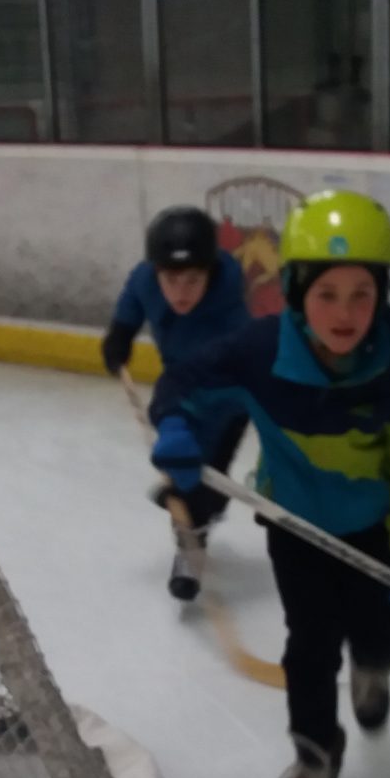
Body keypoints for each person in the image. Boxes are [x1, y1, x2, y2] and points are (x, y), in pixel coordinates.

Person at [147, 190, 390, 778]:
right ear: (295, 290)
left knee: (378, 635)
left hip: (371, 533)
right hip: (294, 526)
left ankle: (374, 665)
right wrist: (174, 426)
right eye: (327, 294)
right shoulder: (259, 354)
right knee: (309, 644)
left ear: (383, 295)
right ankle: (315, 758)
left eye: (361, 295)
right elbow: (183, 384)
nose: (345, 313)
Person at [101, 206, 251, 600]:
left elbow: (216, 384)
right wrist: (120, 333)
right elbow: (133, 299)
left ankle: (193, 538)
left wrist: (175, 423)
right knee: (188, 472)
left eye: (193, 280)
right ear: (156, 273)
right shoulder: (145, 279)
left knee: (202, 471)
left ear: (210, 274)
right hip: (179, 386)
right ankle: (199, 507)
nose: (181, 292)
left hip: (229, 397)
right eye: (171, 279)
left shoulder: (229, 313)